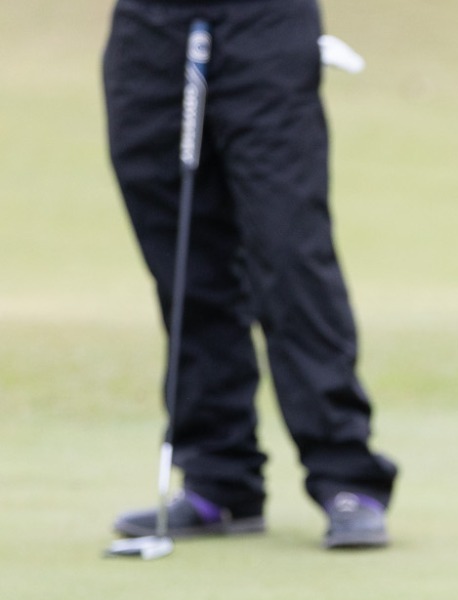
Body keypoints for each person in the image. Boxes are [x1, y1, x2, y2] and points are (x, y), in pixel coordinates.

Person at [103, 0, 397, 549]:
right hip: (149, 26)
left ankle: (347, 476)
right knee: (183, 257)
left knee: (289, 253)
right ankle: (220, 480)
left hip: (263, 20)